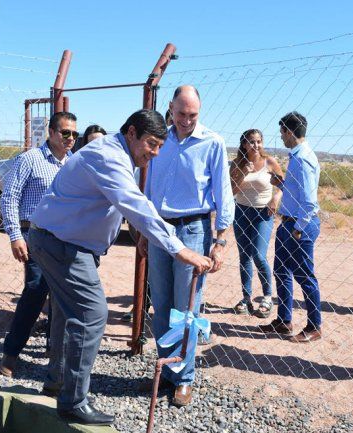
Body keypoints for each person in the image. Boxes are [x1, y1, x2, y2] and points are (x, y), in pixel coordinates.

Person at [28, 109, 212, 425]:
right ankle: (72, 401)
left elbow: (125, 203)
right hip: (60, 244)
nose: (153, 153)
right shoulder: (109, 157)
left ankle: (57, 381)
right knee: (92, 313)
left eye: (159, 147)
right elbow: (134, 203)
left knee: (67, 311)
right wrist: (179, 248)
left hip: (56, 239)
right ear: (131, 133)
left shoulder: (115, 154)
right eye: (151, 144)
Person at [141, 85, 234, 407]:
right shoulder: (160, 141)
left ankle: (184, 378)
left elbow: (223, 193)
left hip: (193, 230)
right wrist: (143, 233)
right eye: (181, 114)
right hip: (158, 229)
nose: (186, 120)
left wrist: (220, 241)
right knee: (163, 306)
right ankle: (165, 370)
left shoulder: (212, 142)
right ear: (170, 108)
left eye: (192, 115)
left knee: (187, 311)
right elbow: (150, 189)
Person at [0, 112, 77, 378]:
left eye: (74, 134)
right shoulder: (30, 160)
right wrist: (14, 235)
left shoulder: (73, 164)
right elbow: (9, 197)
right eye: (66, 133)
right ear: (52, 133)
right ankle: (11, 353)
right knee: (34, 292)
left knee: (61, 296)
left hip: (66, 239)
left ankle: (54, 350)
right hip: (35, 236)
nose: (70, 139)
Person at [260, 111, 323, 344]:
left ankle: (315, 326)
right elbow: (299, 191)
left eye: (281, 133)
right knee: (282, 271)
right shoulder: (298, 156)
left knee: (305, 276)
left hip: (299, 226)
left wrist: (298, 229)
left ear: (288, 131)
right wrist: (282, 183)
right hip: (290, 223)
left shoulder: (304, 158)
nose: (281, 137)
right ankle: (284, 320)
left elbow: (309, 201)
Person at [229, 129, 284, 317]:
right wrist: (243, 172)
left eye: (259, 141)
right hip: (241, 212)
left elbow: (282, 185)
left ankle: (267, 297)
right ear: (244, 144)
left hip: (263, 213)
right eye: (252, 142)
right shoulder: (237, 163)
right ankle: (246, 298)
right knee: (244, 256)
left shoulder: (270, 162)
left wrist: (275, 198)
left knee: (259, 255)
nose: (256, 145)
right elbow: (231, 190)